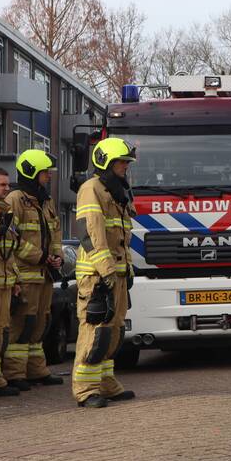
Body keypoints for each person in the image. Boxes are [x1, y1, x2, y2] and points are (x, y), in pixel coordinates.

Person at [72, 138, 137, 408]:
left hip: (116, 274)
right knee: (94, 331)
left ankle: (105, 383)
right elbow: (91, 235)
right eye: (122, 162)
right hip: (97, 276)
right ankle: (86, 389)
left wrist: (127, 269)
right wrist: (108, 271)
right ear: (107, 163)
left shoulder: (115, 192)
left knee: (114, 330)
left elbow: (123, 236)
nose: (125, 167)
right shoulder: (91, 190)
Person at [3, 150, 63, 390]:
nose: (48, 177)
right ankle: (15, 374)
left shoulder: (45, 200)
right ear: (31, 173)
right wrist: (41, 256)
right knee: (22, 324)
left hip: (45, 275)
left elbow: (55, 231)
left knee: (40, 323)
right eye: (44, 173)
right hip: (26, 275)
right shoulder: (15, 199)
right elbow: (11, 237)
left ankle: (37, 370)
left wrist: (57, 256)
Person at [0, 168, 21, 397]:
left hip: (4, 284)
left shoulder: (5, 213)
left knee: (1, 331)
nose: (7, 189)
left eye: (7, 185)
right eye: (2, 185)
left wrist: (14, 280)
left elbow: (9, 252)